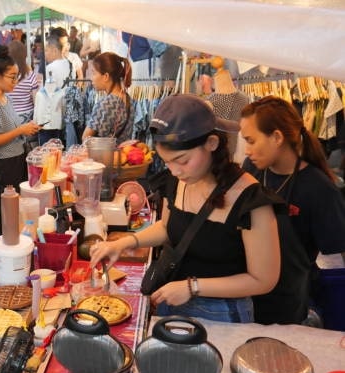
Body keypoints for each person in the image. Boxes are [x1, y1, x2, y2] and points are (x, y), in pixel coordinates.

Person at [90, 94, 280, 323]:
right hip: (171, 299)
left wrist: (193, 287)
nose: (175, 171)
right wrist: (123, 243)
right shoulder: (178, 181)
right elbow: (168, 228)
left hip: (221, 314)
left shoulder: (250, 199)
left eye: (182, 160)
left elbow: (263, 280)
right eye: (167, 162)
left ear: (211, 144)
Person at [240, 95, 345, 324]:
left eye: (250, 140)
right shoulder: (252, 171)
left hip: (284, 303)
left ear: (277, 137)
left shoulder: (320, 189)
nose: (246, 150)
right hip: (243, 287)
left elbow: (339, 247)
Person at [0, 46, 40, 234]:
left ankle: (13, 236)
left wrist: (26, 127)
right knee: (4, 205)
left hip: (17, 158)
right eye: (12, 77)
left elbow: (13, 127)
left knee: (15, 203)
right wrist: (20, 129)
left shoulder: (7, 98)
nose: (16, 81)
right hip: (3, 163)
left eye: (17, 76)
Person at [82, 52, 134, 145]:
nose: (91, 78)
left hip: (104, 157)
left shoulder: (105, 103)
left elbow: (86, 138)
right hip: (123, 156)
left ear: (105, 76)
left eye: (93, 73)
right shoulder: (128, 99)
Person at [7, 40, 39, 123]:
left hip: (8, 118)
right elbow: (36, 101)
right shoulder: (30, 75)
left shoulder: (3, 76)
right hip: (27, 119)